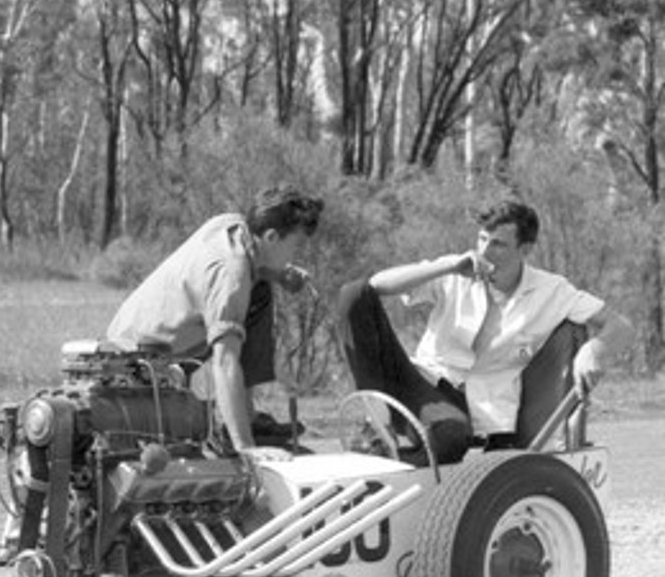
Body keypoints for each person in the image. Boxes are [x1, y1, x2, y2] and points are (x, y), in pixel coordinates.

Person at [337, 199, 633, 463]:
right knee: (354, 293)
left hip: (474, 404)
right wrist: (448, 267)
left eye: (498, 244)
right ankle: (375, 423)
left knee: (448, 438)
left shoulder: (551, 290)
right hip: (420, 380)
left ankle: (388, 466)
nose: (484, 251)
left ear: (525, 249)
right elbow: (378, 285)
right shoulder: (456, 269)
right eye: (481, 239)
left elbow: (620, 326)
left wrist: (594, 350)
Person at [105, 185, 323, 455]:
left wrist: (278, 273)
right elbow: (225, 361)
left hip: (140, 336)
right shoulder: (232, 277)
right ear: (271, 237)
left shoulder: (232, 224)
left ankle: (246, 415)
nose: (297, 254)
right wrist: (247, 450)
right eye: (296, 245)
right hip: (138, 364)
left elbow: (251, 263)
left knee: (260, 291)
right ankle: (236, 435)